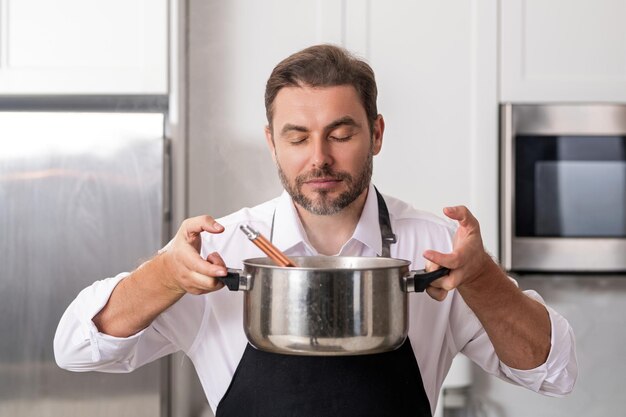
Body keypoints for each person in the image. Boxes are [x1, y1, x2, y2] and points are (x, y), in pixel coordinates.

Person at [54, 44, 577, 417]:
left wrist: (482, 277)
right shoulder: (218, 251)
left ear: (375, 133)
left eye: (341, 133)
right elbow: (75, 350)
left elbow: (553, 373)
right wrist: (165, 275)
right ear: (271, 142)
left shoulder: (437, 248)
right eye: (297, 137)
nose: (319, 158)